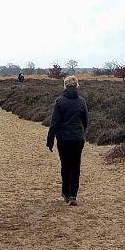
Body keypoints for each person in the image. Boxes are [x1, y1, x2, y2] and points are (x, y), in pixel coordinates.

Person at [46, 74, 88, 205]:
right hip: (78, 138)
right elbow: (85, 121)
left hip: (63, 139)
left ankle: (65, 192)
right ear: (77, 85)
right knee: (76, 166)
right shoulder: (82, 101)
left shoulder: (59, 101)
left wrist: (50, 140)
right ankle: (73, 195)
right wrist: (81, 132)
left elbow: (55, 123)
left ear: (65, 85)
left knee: (65, 165)